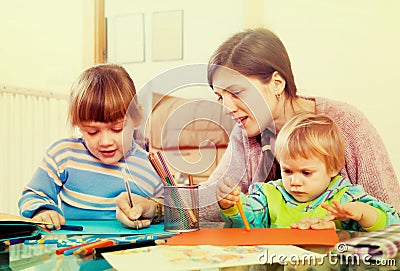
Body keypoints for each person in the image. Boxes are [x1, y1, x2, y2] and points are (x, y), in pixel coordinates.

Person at [200, 27, 400, 222]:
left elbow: (390, 213)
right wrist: (170, 198)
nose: (227, 108)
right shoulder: (245, 132)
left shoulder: (347, 123)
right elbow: (212, 201)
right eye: (220, 97)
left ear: (277, 83)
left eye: (237, 93)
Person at [18, 64, 163, 230]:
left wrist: (154, 209)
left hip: (132, 251)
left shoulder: (152, 167)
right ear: (79, 126)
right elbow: (32, 195)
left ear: (137, 117)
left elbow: (174, 212)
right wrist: (42, 210)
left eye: (117, 129)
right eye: (92, 132)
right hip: (76, 251)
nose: (105, 141)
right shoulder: (64, 155)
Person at [217, 113, 400, 231]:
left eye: (306, 173)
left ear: (333, 168)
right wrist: (231, 204)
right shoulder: (268, 195)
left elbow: (393, 226)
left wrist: (363, 213)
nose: (295, 181)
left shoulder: (347, 198)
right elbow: (248, 222)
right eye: (287, 171)